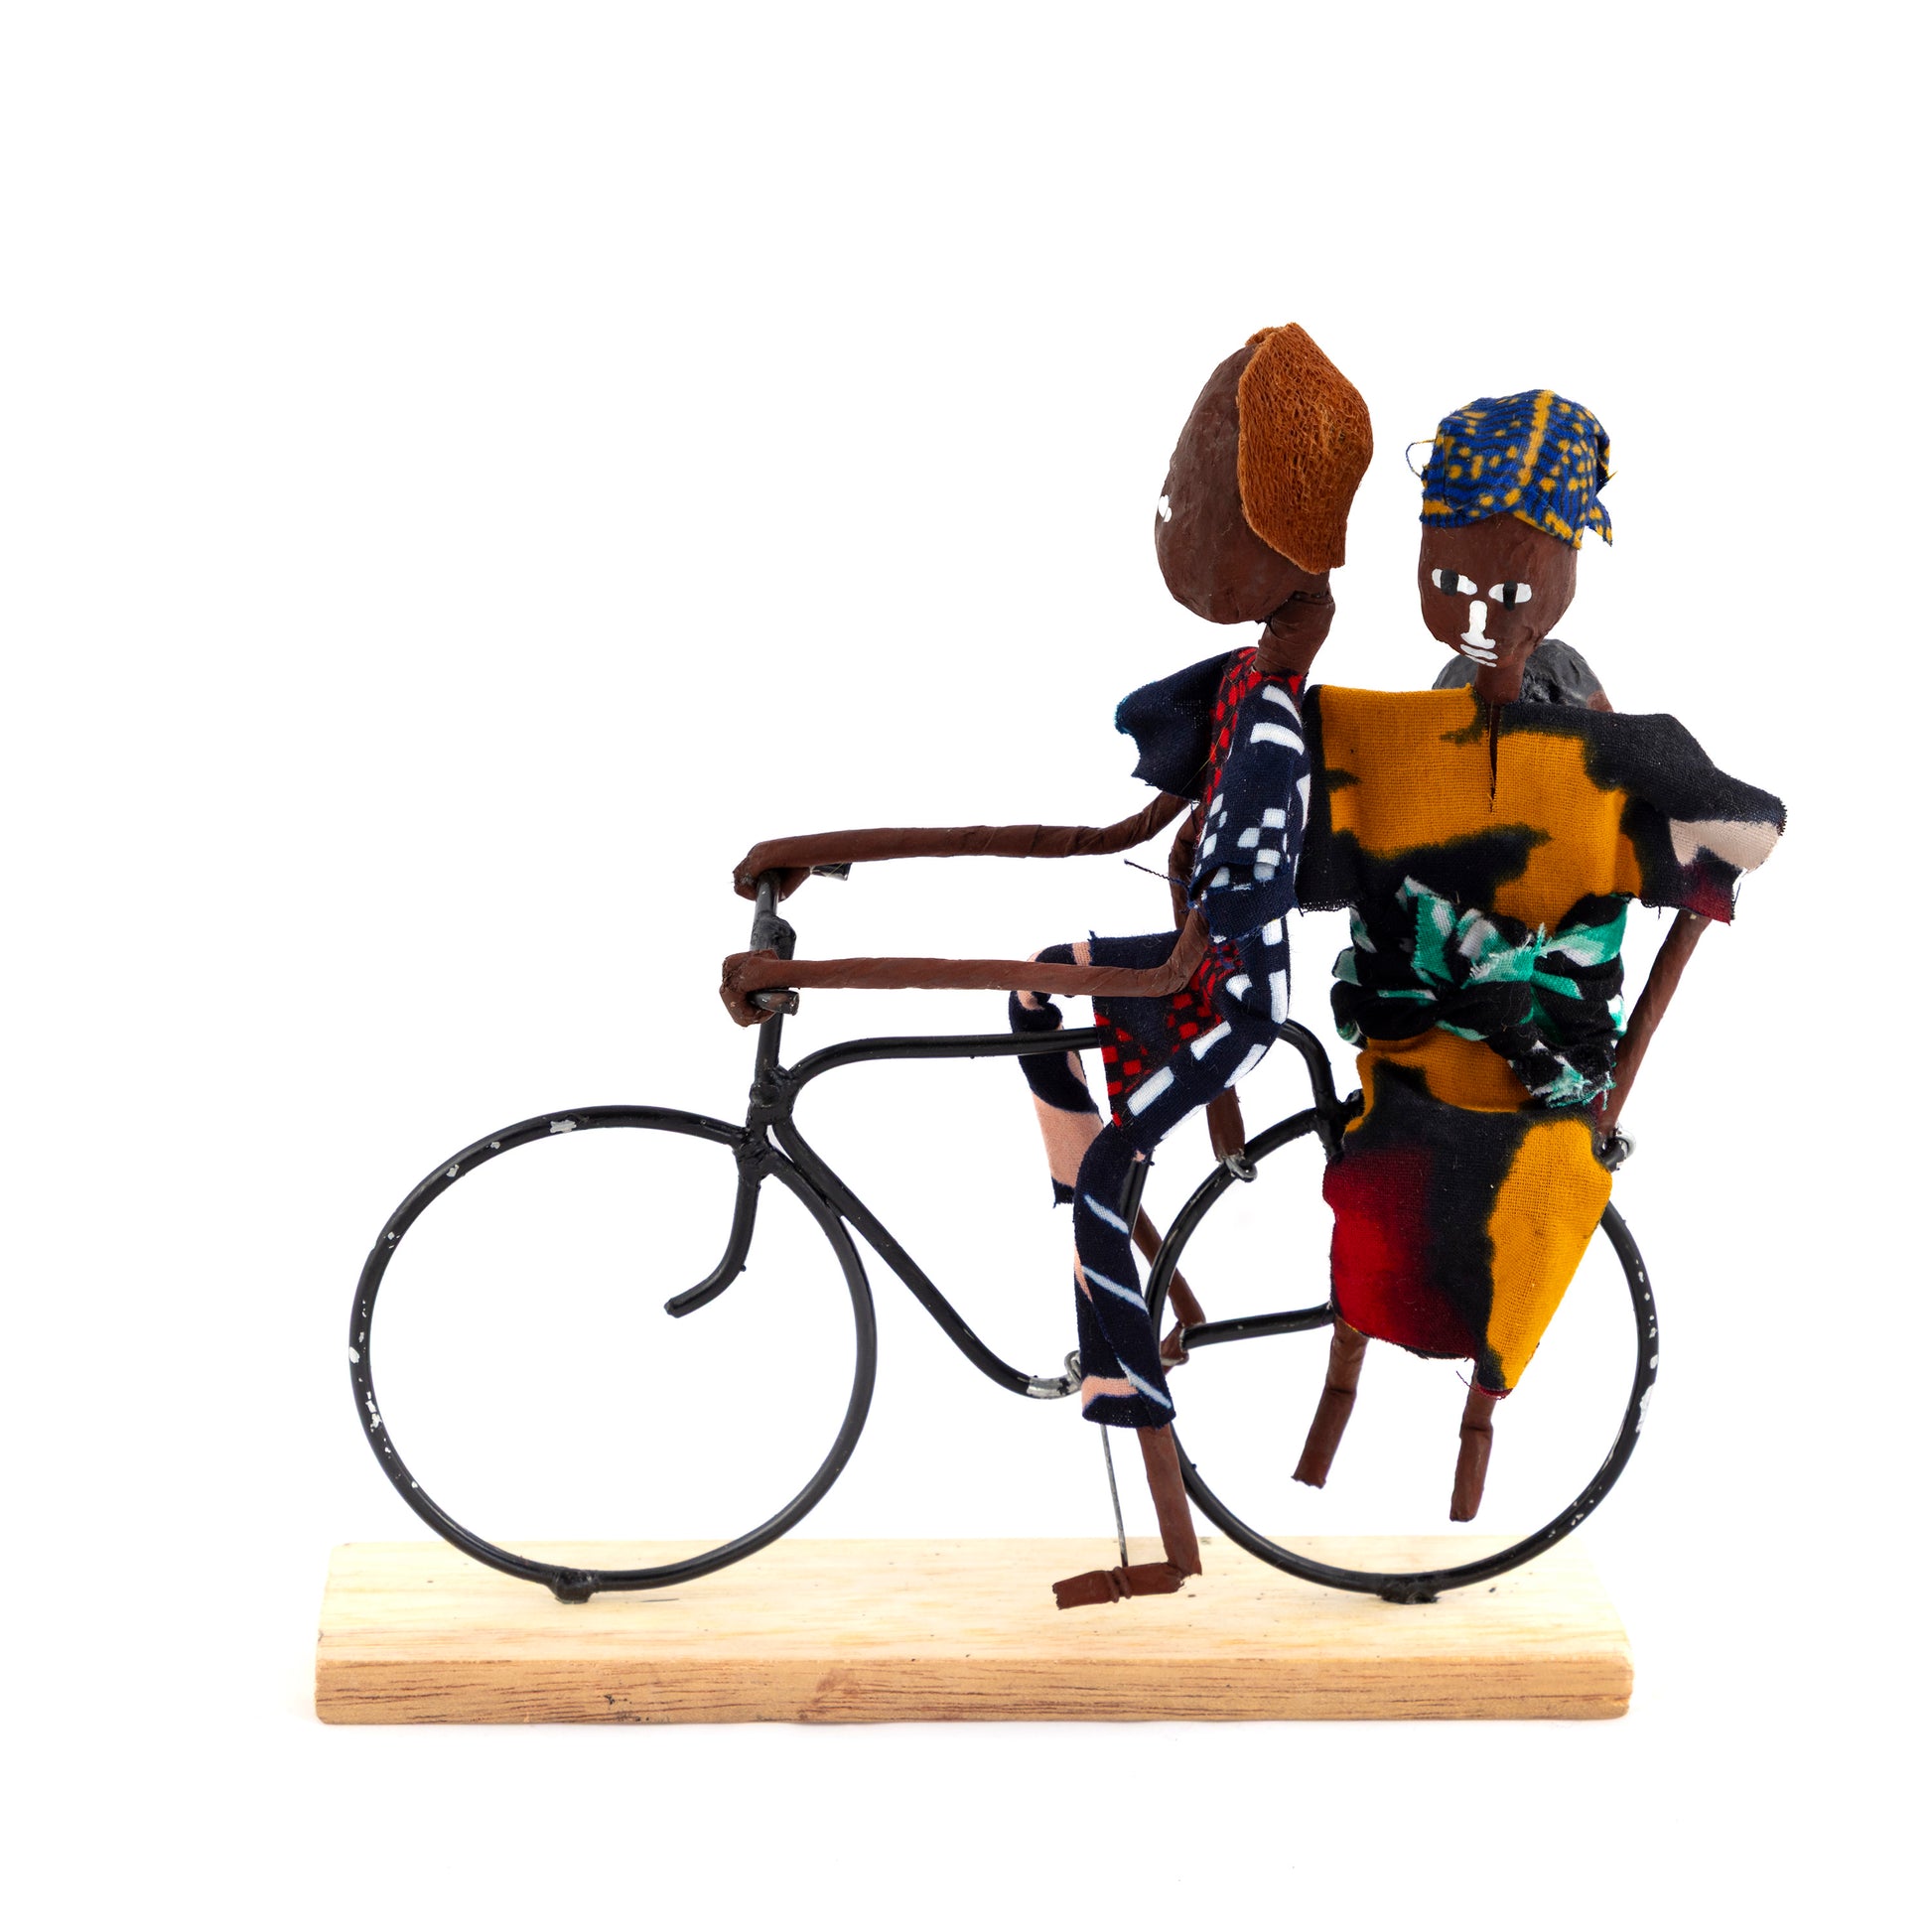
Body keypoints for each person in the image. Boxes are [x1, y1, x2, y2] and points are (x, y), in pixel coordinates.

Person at [1293, 390, 1785, 1517]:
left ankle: (1456, 1442)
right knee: (1387, 1216)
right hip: (1417, 1033)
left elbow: (1693, 825)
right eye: (1450, 581)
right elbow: (1364, 834)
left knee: (1496, 1232)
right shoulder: (1418, 724)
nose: (1477, 612)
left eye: (1505, 589)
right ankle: (1350, 1411)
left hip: (1526, 1047)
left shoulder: (1578, 712)